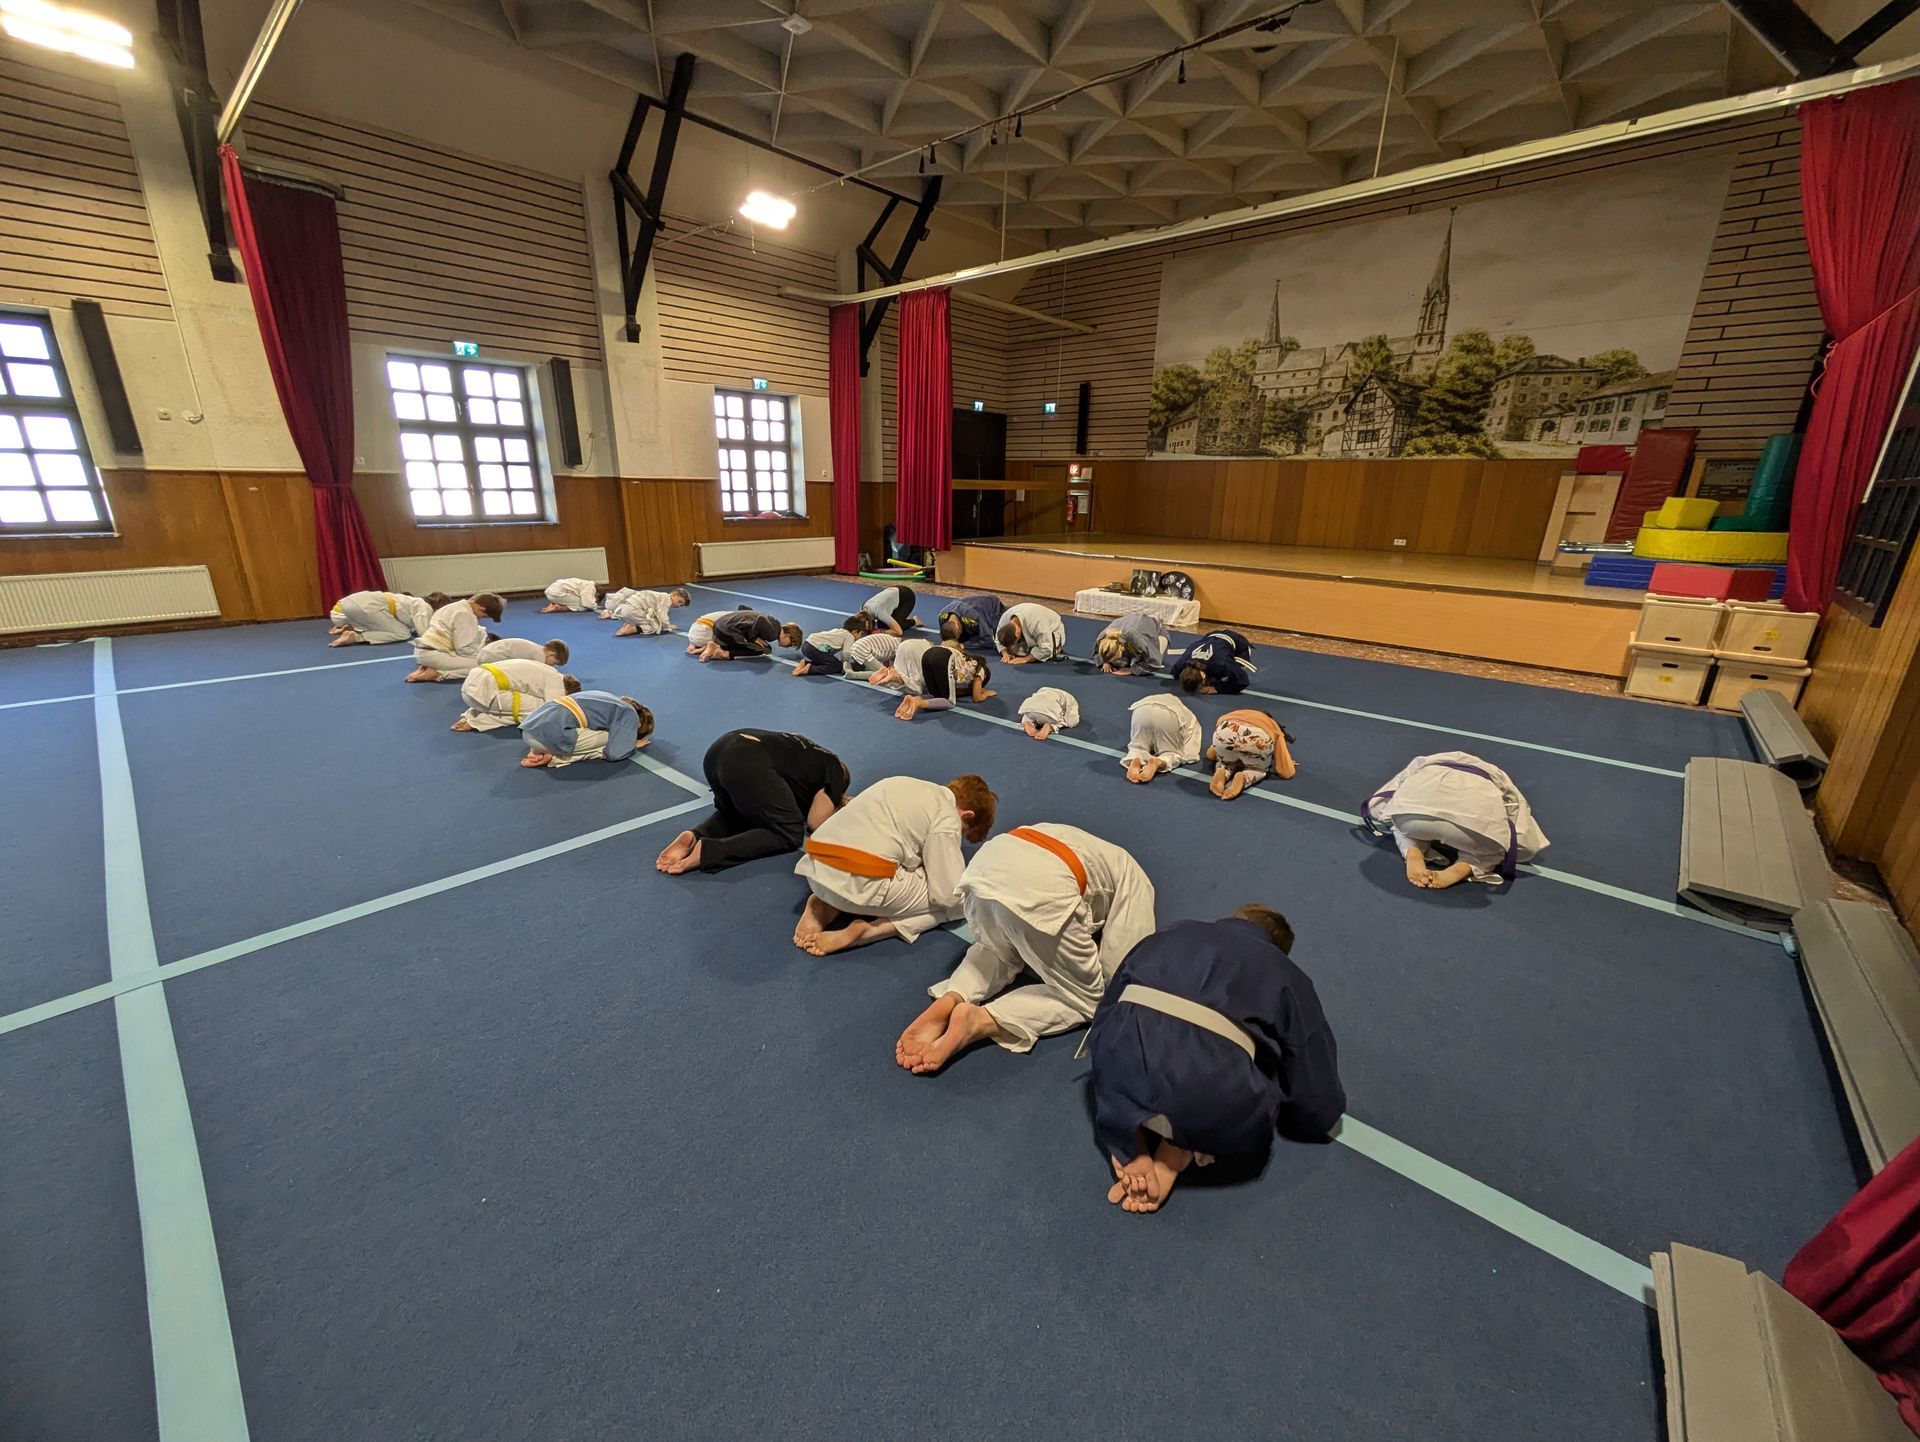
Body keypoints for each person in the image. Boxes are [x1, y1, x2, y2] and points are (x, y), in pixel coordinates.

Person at [1089, 907, 1344, 1216]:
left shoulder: (1172, 931)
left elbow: (1107, 1009)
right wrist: (1315, 1121)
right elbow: (1312, 1067)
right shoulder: (1284, 971)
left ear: (1233, 918)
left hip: (1120, 1061)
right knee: (1267, 1063)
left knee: (1132, 1035)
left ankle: (1125, 1134)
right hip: (1207, 1093)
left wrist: (1106, 1070)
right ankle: (1182, 1146)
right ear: (1276, 947)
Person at [896, 823, 1156, 1075]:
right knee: (1092, 998)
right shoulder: (1135, 882)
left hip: (986, 869)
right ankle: (982, 1020)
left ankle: (954, 995)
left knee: (997, 949)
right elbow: (1122, 966)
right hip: (1041, 890)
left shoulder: (1092, 848)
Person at [793, 774, 996, 954]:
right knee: (961, 903)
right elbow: (947, 896)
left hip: (815, 868)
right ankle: (875, 931)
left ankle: (825, 902)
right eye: (964, 831)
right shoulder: (948, 818)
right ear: (967, 815)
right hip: (860, 886)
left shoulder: (900, 782)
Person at [656, 730, 852, 874]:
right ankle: (709, 851)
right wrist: (839, 806)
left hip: (720, 750)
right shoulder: (835, 771)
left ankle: (695, 835)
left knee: (739, 813)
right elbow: (815, 822)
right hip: (749, 761)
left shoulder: (809, 751)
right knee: (789, 833)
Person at [1362, 751, 1548, 890]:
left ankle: (1412, 850)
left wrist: (1396, 818)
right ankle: (1467, 865)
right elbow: (1518, 815)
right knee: (1492, 848)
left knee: (1400, 823)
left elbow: (1377, 805)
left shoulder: (1424, 762)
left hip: (1418, 817)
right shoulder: (1497, 775)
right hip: (1471, 827)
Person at [519, 691, 652, 768]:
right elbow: (614, 754)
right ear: (638, 724)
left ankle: (536, 750)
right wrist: (630, 744)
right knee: (610, 738)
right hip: (546, 740)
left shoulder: (605, 697)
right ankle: (555, 757)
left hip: (529, 730)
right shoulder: (629, 713)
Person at [870, 640, 994, 720]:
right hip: (943, 658)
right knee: (950, 702)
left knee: (934, 695)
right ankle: (919, 704)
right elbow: (977, 698)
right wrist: (986, 694)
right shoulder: (981, 669)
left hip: (929, 653)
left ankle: (912, 696)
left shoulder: (967, 662)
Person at [452, 658, 579, 732]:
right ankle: (477, 722)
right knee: (538, 712)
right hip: (483, 694)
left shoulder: (547, 670)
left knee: (526, 703)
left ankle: (471, 715)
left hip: (470, 689)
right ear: (566, 691)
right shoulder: (556, 682)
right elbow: (551, 712)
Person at [405, 593, 505, 682]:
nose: (480, 618)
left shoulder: (451, 607)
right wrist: (478, 656)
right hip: (436, 654)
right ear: (481, 609)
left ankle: (428, 666)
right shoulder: (466, 615)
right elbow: (462, 648)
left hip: (422, 651)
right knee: (483, 666)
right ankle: (438, 674)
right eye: (483, 616)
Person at [1207, 709, 1296, 799]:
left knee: (1224, 762)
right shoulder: (1274, 727)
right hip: (1256, 737)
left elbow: (1210, 754)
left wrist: (1220, 757)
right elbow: (1286, 772)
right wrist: (1286, 762)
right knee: (1258, 769)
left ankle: (1222, 770)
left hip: (1226, 728)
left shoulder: (1234, 714)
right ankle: (1244, 778)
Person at [1122, 694, 1203, 783]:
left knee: (1138, 746)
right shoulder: (1191, 719)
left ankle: (1136, 757)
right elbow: (1189, 749)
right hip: (1169, 715)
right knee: (1171, 752)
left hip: (1141, 710)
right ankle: (1159, 761)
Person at [327, 589, 444, 647]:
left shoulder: (413, 602)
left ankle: (353, 629)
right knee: (402, 634)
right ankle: (357, 637)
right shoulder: (424, 607)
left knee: (387, 627)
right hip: (367, 607)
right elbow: (424, 633)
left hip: (349, 604)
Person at [792, 613, 877, 677]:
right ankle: (810, 669)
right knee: (836, 666)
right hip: (812, 648)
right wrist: (845, 667)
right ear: (855, 632)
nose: (860, 638)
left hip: (807, 645)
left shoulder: (840, 632)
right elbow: (846, 654)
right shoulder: (850, 636)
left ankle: (806, 663)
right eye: (861, 634)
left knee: (828, 661)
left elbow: (825, 649)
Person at [1175, 629, 1257, 695]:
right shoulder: (1183, 662)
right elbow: (1175, 672)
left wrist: (1217, 688)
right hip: (1211, 636)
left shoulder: (1222, 663)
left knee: (1225, 677)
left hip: (1237, 642)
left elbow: (1242, 681)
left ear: (1203, 677)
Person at [1094, 613, 1169, 676]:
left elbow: (1154, 662)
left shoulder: (1137, 640)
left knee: (1152, 656)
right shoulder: (1102, 637)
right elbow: (1099, 653)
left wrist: (1132, 670)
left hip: (1156, 628)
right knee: (1122, 662)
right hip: (1132, 621)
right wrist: (1105, 662)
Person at [698, 609, 785, 662]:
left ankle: (716, 645)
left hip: (719, 625)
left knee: (748, 643)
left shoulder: (774, 622)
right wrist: (754, 638)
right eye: (790, 643)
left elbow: (742, 608)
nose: (788, 646)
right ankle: (724, 653)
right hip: (726, 631)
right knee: (764, 649)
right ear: (787, 635)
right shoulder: (774, 633)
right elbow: (760, 620)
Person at [996, 602, 1067, 665]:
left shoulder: (1037, 622)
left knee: (1045, 651)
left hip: (1053, 629)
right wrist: (1005, 653)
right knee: (1016, 651)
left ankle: (1057, 648)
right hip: (1029, 628)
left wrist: (1025, 659)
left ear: (1017, 634)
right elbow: (998, 639)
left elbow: (1046, 648)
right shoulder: (1005, 619)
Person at [608, 586, 692, 636]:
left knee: (651, 618)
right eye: (679, 601)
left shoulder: (660, 596)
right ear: (673, 594)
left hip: (626, 608)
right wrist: (668, 626)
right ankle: (633, 628)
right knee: (656, 626)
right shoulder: (667, 599)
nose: (679, 605)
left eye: (681, 605)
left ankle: (629, 623)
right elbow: (662, 618)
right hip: (632, 610)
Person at [938, 594, 1005, 651]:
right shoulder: (942, 616)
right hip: (969, 606)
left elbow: (988, 640)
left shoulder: (974, 617)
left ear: (958, 626)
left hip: (993, 606)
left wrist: (964, 645)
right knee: (963, 638)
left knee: (996, 639)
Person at [478, 636, 568, 667]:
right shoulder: (539, 657)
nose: (552, 666)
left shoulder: (536, 648)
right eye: (554, 663)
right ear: (552, 654)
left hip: (485, 652)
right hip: (493, 657)